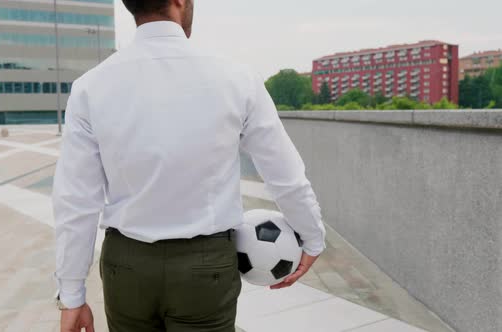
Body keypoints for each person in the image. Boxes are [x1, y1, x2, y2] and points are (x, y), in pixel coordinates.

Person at [52, 0, 326, 331]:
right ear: (180, 1)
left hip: (126, 268)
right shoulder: (237, 78)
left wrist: (72, 295)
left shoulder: (89, 88)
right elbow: (285, 176)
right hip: (206, 268)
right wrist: (311, 238)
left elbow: (76, 202)